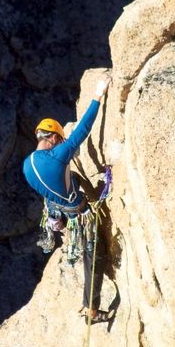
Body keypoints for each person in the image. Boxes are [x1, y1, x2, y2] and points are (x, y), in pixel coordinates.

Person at [23, 75, 112, 323]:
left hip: (60, 212)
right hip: (78, 215)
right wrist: (98, 95)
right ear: (53, 138)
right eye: (59, 140)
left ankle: (90, 306)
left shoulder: (26, 165)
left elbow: (50, 190)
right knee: (96, 256)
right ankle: (92, 310)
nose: (60, 144)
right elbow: (83, 129)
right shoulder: (57, 155)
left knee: (69, 178)